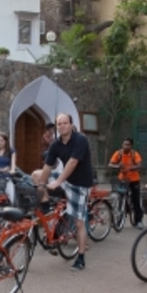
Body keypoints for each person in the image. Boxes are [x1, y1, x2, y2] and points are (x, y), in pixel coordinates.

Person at [32, 114, 94, 271]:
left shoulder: (80, 140)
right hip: (64, 178)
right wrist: (41, 185)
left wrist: (58, 182)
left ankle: (80, 258)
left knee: (79, 222)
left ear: (71, 125)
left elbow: (73, 162)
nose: (62, 126)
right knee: (36, 175)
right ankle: (47, 210)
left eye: (65, 123)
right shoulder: (55, 144)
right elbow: (48, 165)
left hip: (80, 184)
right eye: (59, 124)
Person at [108, 137, 144, 229]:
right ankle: (119, 219)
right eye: (124, 144)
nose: (125, 146)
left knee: (136, 200)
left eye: (128, 145)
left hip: (134, 180)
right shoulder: (118, 153)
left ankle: (138, 220)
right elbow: (110, 164)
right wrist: (117, 166)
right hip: (123, 180)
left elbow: (139, 165)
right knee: (120, 198)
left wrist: (131, 168)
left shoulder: (134, 154)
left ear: (131, 146)